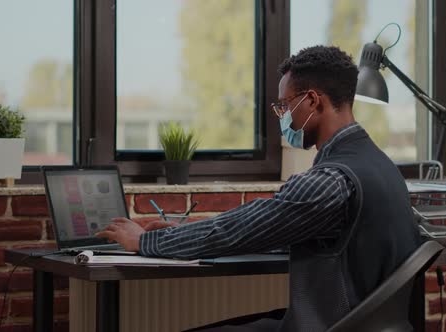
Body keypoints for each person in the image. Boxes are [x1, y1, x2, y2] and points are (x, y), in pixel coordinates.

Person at [96, 45, 422, 331]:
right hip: (360, 321)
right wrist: (184, 230)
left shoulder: (330, 182)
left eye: (285, 105)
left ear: (311, 101)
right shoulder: (381, 166)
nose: (283, 117)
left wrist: (146, 240)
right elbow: (269, 227)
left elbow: (234, 231)